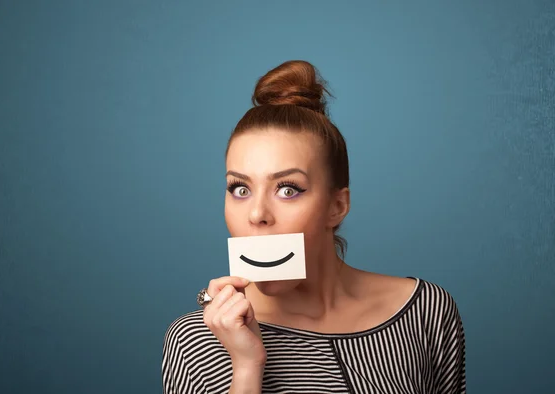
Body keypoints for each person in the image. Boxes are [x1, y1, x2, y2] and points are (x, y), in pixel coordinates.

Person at [162, 60, 466, 394]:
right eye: (240, 189)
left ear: (337, 207)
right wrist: (247, 367)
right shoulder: (195, 341)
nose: (257, 213)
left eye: (288, 189)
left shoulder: (426, 311)